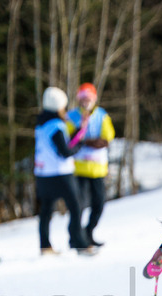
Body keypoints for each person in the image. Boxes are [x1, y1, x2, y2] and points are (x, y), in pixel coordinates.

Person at [34, 86, 92, 255]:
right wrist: (80, 144)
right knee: (76, 206)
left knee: (45, 211)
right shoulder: (56, 125)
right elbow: (65, 151)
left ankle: (45, 246)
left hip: (42, 174)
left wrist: (76, 134)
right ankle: (79, 243)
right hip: (60, 173)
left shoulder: (41, 124)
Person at [66, 83, 114, 247]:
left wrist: (85, 141)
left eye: (89, 98)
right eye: (83, 98)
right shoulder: (72, 116)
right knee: (78, 206)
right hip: (78, 169)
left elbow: (106, 139)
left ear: (94, 99)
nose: (86, 101)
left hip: (98, 170)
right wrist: (84, 137)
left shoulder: (101, 116)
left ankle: (88, 233)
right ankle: (75, 238)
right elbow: (69, 139)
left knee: (99, 204)